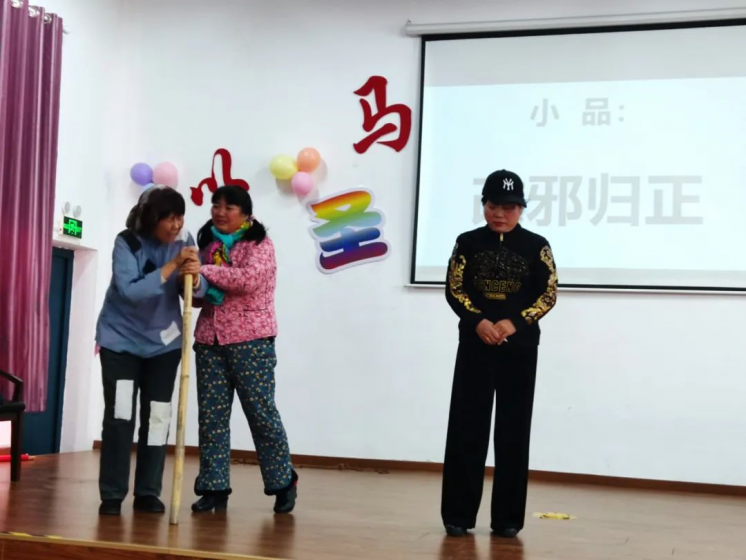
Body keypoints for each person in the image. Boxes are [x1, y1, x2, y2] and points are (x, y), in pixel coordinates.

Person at [441, 169, 558, 538]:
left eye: (509, 207)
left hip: (519, 349)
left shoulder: (536, 245)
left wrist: (515, 323)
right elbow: (454, 288)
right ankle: (457, 516)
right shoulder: (468, 242)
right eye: (493, 205)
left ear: (521, 209)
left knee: (513, 432)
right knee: (466, 429)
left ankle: (508, 520)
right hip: (475, 346)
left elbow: (548, 293)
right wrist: (477, 321)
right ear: (483, 206)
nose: (500, 214)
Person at [181, 185, 297, 514]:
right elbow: (200, 295)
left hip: (251, 340)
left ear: (245, 213)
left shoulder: (259, 243)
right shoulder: (206, 244)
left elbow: (247, 281)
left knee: (261, 415)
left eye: (228, 207)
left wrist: (203, 270)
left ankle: (283, 482)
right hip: (210, 340)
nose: (219, 211)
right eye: (215, 205)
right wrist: (189, 279)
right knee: (212, 418)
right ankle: (214, 488)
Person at [96, 186, 200, 516]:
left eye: (179, 217)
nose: (175, 224)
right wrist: (171, 267)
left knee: (157, 419)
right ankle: (112, 495)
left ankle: (147, 492)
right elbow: (130, 292)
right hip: (121, 344)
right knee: (120, 417)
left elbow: (198, 293)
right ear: (151, 218)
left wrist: (196, 279)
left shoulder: (186, 241)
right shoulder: (126, 242)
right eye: (168, 218)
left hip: (164, 348)